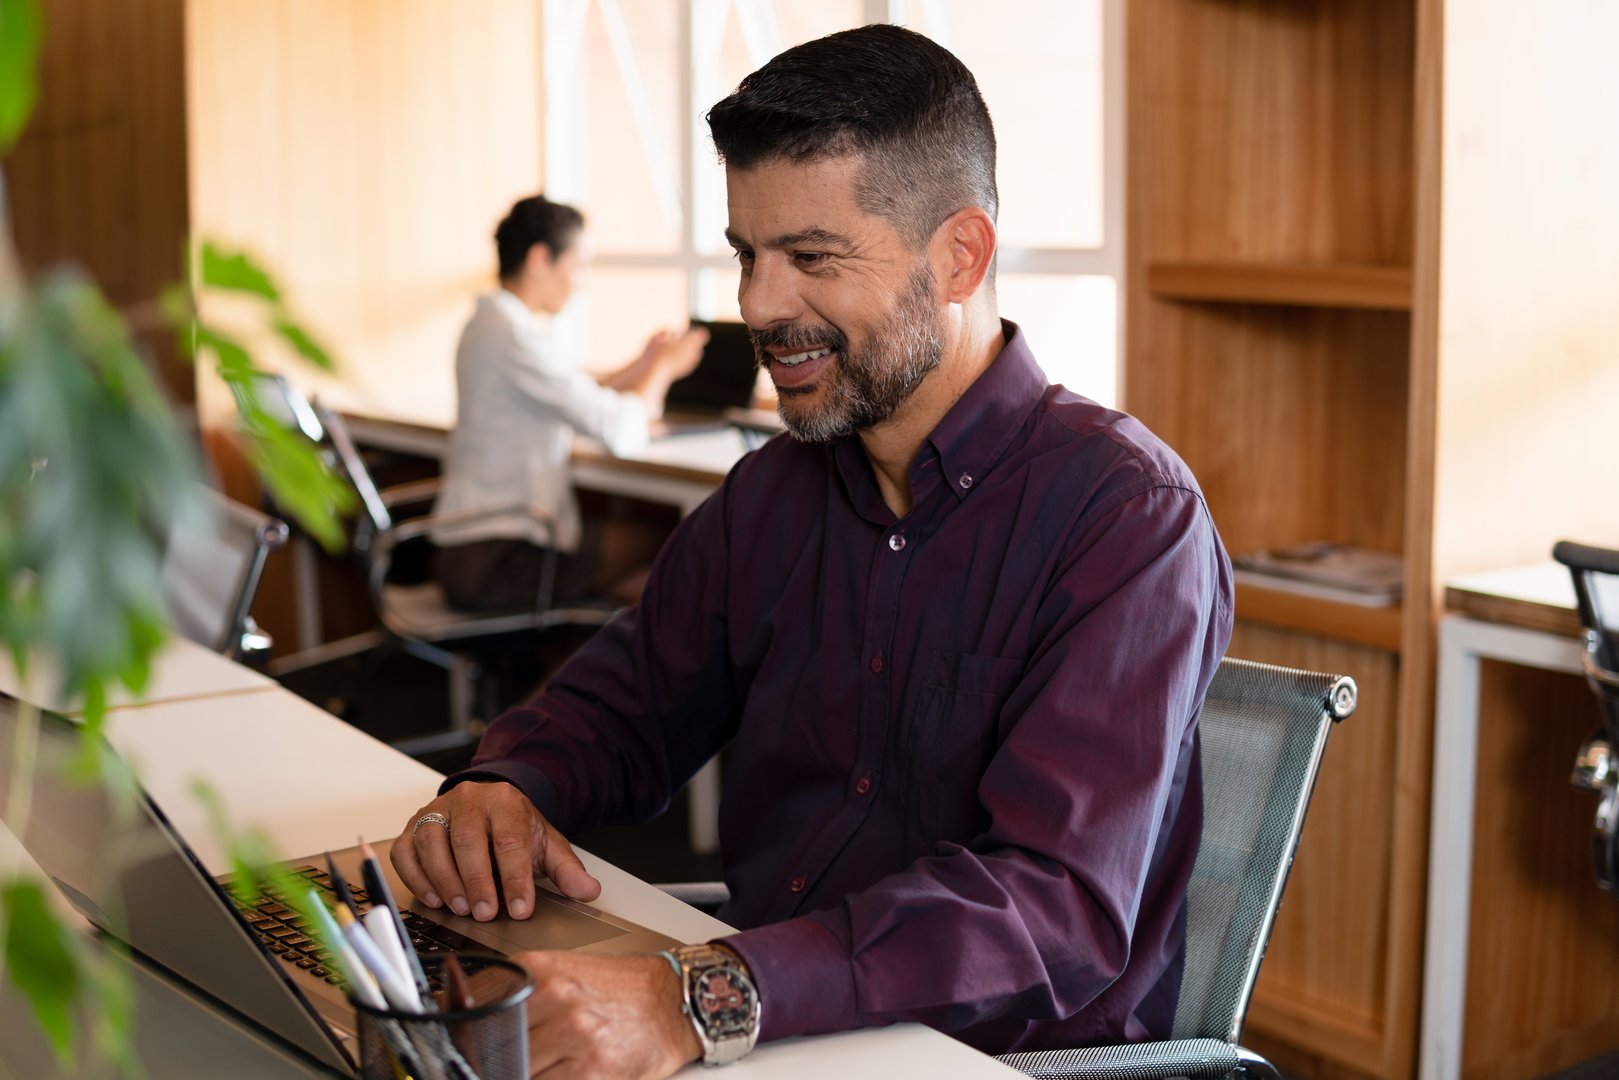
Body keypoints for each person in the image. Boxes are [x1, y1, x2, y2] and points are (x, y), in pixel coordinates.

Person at [394, 24, 1232, 1078]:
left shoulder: (1121, 516)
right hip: (769, 1030)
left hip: (985, 1058)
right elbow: (627, 703)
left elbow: (1050, 910)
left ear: (958, 255)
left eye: (811, 258)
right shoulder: (772, 496)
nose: (755, 305)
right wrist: (504, 788)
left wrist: (698, 997)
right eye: (748, 254)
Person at [432, 195, 707, 612]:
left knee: (634, 578)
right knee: (667, 537)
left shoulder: (492, 325)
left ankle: (597, 655)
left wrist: (645, 362)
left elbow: (572, 393)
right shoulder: (513, 338)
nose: (580, 282)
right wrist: (665, 369)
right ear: (541, 259)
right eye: (577, 267)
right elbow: (620, 431)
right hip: (496, 558)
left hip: (469, 548)